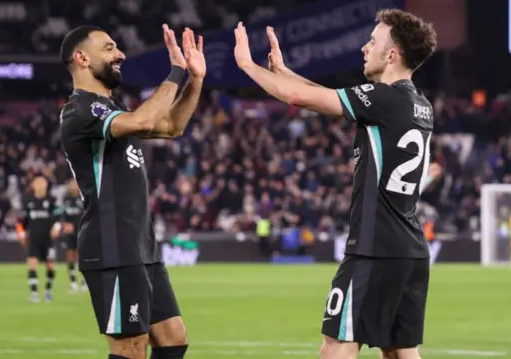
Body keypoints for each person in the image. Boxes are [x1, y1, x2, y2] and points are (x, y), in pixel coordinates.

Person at [233, 8, 437, 359]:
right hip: (410, 250)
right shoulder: (418, 103)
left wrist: (248, 67)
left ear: (392, 54)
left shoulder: (384, 101)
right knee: (400, 351)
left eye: (373, 41)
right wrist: (284, 72)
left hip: (374, 248)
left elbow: (298, 99)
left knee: (336, 345)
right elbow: (332, 96)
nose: (364, 47)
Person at [58, 24, 205, 359]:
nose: (120, 53)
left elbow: (171, 126)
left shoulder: (112, 108)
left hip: (139, 244)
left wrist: (194, 80)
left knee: (173, 339)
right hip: (112, 244)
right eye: (109, 48)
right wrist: (177, 71)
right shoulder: (81, 110)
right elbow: (142, 122)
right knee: (131, 347)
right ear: (81, 58)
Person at [18, 176, 59, 303]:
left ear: (46, 185)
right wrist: (22, 234)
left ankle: (47, 291)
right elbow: (22, 221)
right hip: (33, 238)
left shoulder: (51, 200)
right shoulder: (28, 201)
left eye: (43, 182)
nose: (41, 184)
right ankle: (34, 293)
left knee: (51, 266)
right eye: (38, 182)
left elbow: (58, 217)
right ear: (33, 185)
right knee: (32, 264)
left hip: (47, 239)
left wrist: (57, 227)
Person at [51, 178, 87, 293]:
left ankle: (84, 281)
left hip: (82, 231)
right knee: (70, 257)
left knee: (82, 257)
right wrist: (63, 224)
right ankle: (73, 282)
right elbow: (61, 214)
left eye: (75, 183)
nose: (73, 186)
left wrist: (76, 225)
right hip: (69, 233)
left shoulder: (84, 197)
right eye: (71, 184)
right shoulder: (66, 198)